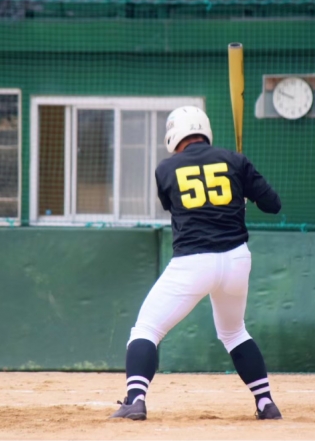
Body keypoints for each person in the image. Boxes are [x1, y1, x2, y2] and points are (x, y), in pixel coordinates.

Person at [109, 106, 282, 421]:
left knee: (146, 329)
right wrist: (243, 193)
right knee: (234, 332)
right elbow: (273, 205)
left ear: (174, 135)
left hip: (193, 261)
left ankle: (135, 400)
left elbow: (175, 205)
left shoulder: (165, 168)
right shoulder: (236, 161)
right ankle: (265, 403)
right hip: (236, 259)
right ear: (205, 130)